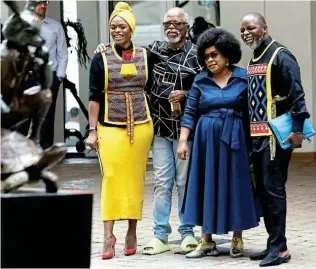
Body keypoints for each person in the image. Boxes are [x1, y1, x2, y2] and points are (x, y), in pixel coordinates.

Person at [94, 7, 202, 255]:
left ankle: (187, 233)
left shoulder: (197, 54)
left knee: (184, 182)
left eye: (177, 23)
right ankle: (160, 235)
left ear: (187, 27)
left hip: (187, 129)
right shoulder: (154, 51)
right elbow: (127, 53)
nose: (171, 27)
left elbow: (206, 85)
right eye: (167, 23)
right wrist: (104, 48)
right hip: (160, 128)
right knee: (162, 183)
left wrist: (185, 94)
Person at [177, 28, 259, 259]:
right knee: (206, 185)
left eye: (214, 55)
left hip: (235, 140)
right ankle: (206, 241)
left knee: (236, 185)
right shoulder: (200, 80)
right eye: (206, 56)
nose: (210, 60)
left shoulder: (244, 77)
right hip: (205, 141)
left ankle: (237, 238)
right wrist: (183, 141)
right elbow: (190, 112)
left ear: (227, 54)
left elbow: (253, 112)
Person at [240, 12, 310, 267]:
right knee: (263, 191)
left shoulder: (281, 55)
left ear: (264, 27)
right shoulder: (255, 57)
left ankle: (281, 249)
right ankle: (272, 242)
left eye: (251, 28)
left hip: (276, 137)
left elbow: (297, 94)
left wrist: (298, 130)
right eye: (243, 30)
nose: (247, 33)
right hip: (256, 138)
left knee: (274, 191)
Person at [86, 2, 154, 260]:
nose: (116, 31)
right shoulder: (100, 57)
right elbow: (93, 96)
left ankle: (132, 231)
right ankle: (107, 235)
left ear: (131, 29)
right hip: (109, 127)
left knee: (136, 179)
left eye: (121, 26)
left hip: (141, 126)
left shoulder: (146, 55)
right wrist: (92, 131)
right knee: (112, 179)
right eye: (113, 26)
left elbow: (153, 86)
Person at [25, 0, 68, 149]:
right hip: (26, 78)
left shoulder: (56, 27)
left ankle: (43, 154)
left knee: (46, 117)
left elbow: (62, 54)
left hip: (49, 78)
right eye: (39, 2)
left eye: (45, 2)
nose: (43, 5)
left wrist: (59, 77)